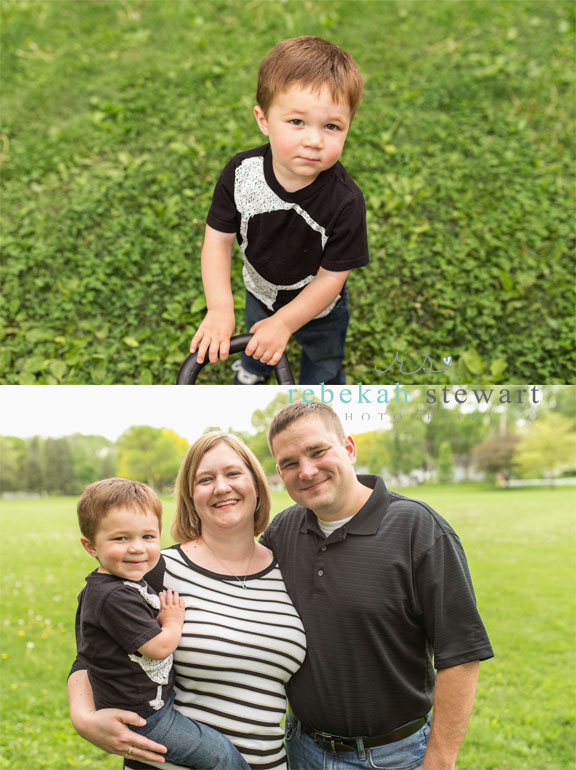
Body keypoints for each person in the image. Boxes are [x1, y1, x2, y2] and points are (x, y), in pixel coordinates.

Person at [260, 401, 494, 770]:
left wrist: (438, 762)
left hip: (394, 756)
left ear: (349, 449)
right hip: (301, 749)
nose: (306, 471)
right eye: (290, 463)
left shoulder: (419, 529)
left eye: (317, 452)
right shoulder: (282, 531)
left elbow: (461, 656)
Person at [68, 434, 306, 770]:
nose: (221, 487)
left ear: (257, 484)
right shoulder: (153, 569)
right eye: (205, 479)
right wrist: (83, 718)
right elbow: (91, 650)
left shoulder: (291, 568)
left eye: (233, 474)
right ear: (190, 496)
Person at [189, 36, 369, 385]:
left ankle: (321, 385)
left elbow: (332, 277)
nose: (314, 140)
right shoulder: (241, 175)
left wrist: (286, 322)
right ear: (263, 119)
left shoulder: (345, 201)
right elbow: (218, 241)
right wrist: (219, 308)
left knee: (324, 357)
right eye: (297, 122)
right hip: (260, 289)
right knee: (258, 339)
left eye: (331, 126)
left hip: (320, 308)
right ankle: (254, 370)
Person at [74, 477, 250, 770]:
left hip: (151, 708)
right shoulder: (113, 594)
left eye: (147, 537)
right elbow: (158, 648)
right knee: (219, 756)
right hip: (146, 717)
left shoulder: (123, 582)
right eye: (121, 538)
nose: (137, 549)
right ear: (90, 546)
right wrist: (172, 621)